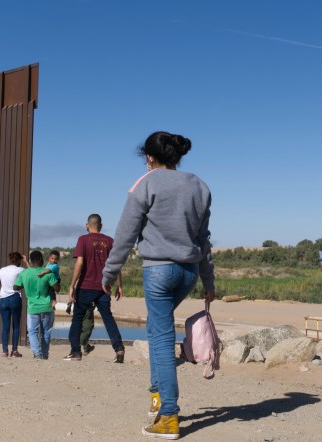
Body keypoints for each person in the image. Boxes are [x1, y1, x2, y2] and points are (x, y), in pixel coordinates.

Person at [101, 131, 215, 440]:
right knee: (155, 330)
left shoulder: (146, 183)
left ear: (149, 157)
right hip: (188, 272)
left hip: (159, 272)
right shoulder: (199, 186)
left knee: (162, 339)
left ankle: (168, 416)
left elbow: (125, 235)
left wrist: (109, 275)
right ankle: (155, 398)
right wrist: (208, 280)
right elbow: (203, 241)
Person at [64, 214, 125, 362]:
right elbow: (115, 264)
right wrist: (120, 285)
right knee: (108, 318)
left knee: (77, 318)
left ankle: (75, 352)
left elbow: (79, 263)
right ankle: (119, 349)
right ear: (101, 226)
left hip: (85, 286)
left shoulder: (83, 240)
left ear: (87, 225)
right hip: (104, 287)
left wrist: (72, 285)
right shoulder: (110, 241)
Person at [14, 251, 59, 359]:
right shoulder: (48, 273)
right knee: (46, 331)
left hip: (32, 308)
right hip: (47, 307)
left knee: (32, 331)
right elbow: (57, 288)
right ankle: (45, 354)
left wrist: (25, 285)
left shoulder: (24, 273)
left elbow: (15, 287)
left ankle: (37, 353)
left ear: (30, 260)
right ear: (41, 260)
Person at [0, 252, 26, 357]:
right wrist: (26, 261)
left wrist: (4, 285)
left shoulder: (2, 270)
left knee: (5, 326)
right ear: (19, 260)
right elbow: (32, 273)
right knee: (16, 325)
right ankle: (15, 351)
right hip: (15, 298)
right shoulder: (21, 270)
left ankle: (4, 351)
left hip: (3, 299)